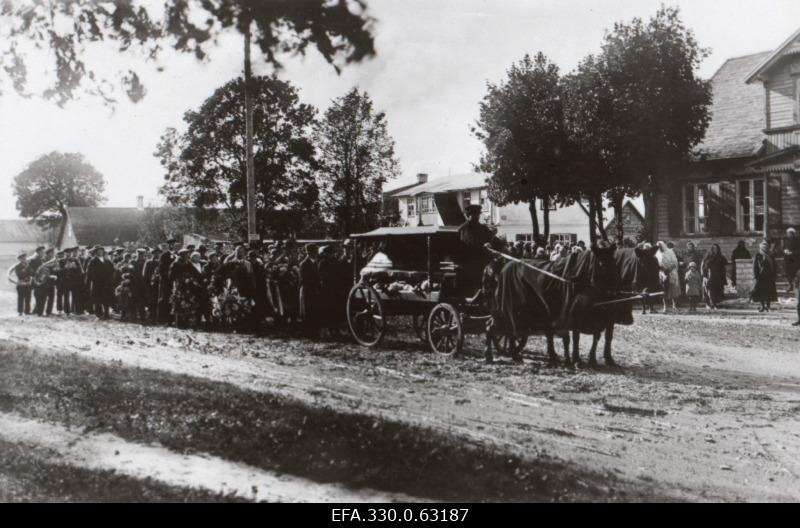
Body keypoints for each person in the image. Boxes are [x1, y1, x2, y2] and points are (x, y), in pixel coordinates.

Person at [458, 204, 504, 295]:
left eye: (478, 215)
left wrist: (501, 245)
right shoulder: (464, 229)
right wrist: (483, 245)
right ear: (468, 216)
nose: (477, 217)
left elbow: (493, 238)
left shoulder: (482, 228)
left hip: (484, 259)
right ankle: (480, 291)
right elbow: (469, 241)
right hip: (470, 260)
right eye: (474, 215)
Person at [85, 246, 115, 319]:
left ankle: (107, 313)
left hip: (106, 283)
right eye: (99, 251)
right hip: (97, 283)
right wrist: (88, 283)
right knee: (98, 299)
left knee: (106, 298)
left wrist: (111, 279)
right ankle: (99, 314)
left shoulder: (107, 261)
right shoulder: (93, 261)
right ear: (96, 252)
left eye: (101, 250)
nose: (100, 252)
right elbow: (89, 273)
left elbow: (112, 270)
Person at [299, 244, 321, 338]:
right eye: (315, 252)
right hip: (307, 290)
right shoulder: (304, 264)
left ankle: (314, 331)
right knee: (307, 312)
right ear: (310, 253)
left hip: (314, 290)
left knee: (314, 311)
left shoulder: (315, 263)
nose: (316, 254)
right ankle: (308, 332)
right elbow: (303, 280)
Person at [752, 239, 778, 312]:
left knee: (769, 292)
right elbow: (755, 267)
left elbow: (775, 266)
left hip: (769, 277)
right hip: (761, 277)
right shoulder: (758, 256)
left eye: (766, 247)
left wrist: (775, 275)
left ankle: (768, 306)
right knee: (761, 292)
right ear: (760, 248)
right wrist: (755, 276)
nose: (764, 249)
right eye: (763, 247)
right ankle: (762, 306)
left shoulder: (771, 255)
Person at [656, 241, 681, 314]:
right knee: (663, 290)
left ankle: (674, 306)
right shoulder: (657, 254)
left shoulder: (670, 252)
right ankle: (665, 307)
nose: (659, 248)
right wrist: (662, 269)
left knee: (673, 289)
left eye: (660, 247)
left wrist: (669, 269)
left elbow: (674, 262)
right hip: (662, 273)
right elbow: (657, 263)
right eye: (658, 247)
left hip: (672, 272)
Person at [702, 243, 728, 310]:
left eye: (716, 248)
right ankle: (709, 304)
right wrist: (704, 276)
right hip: (710, 276)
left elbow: (725, 263)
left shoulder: (720, 257)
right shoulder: (708, 257)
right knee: (709, 290)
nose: (715, 250)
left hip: (718, 277)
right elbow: (704, 266)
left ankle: (715, 304)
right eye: (713, 248)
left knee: (717, 291)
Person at [7, 251, 33, 315]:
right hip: (21, 284)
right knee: (21, 299)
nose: (24, 259)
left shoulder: (28, 265)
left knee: (28, 298)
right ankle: (20, 312)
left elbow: (32, 273)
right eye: (22, 258)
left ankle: (27, 311)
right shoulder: (17, 266)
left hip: (28, 284)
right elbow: (20, 274)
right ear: (19, 259)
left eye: (24, 258)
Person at [784, 228, 800, 292]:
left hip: (795, 260)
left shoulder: (797, 241)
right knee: (788, 273)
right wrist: (785, 251)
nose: (788, 234)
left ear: (793, 234)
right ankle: (790, 285)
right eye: (788, 233)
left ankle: (795, 287)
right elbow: (784, 248)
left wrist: (792, 252)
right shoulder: (786, 241)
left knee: (794, 273)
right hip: (787, 260)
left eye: (790, 233)